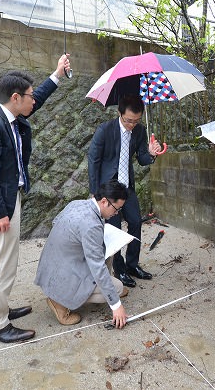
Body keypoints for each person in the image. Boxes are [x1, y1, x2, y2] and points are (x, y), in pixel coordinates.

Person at [0, 54, 70, 343]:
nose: (33, 101)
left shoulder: (10, 115)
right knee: (2, 264)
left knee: (1, 261)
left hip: (7, 197)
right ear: (15, 98)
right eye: (28, 97)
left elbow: (37, 96)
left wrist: (56, 75)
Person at [88, 94, 162, 288]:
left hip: (127, 187)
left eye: (136, 121)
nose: (131, 125)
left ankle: (132, 265)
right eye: (128, 121)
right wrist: (95, 192)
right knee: (113, 229)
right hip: (108, 190)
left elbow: (142, 159)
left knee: (136, 222)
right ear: (120, 113)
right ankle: (119, 270)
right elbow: (93, 160)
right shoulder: (105, 130)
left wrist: (152, 154)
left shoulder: (139, 131)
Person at [34, 180, 130, 328]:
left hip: (53, 264)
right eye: (117, 209)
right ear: (104, 201)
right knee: (116, 287)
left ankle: (104, 288)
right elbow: (97, 267)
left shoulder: (77, 203)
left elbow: (56, 222)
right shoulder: (91, 225)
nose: (117, 213)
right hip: (63, 276)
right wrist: (116, 306)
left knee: (106, 251)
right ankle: (59, 302)